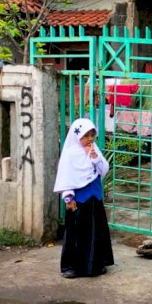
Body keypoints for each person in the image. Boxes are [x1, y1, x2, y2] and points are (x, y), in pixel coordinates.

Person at [53, 118, 114, 279]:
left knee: (95, 231)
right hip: (78, 199)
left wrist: (95, 158)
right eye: (86, 136)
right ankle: (71, 266)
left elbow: (103, 170)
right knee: (76, 233)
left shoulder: (93, 150)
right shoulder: (69, 154)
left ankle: (95, 264)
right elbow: (65, 177)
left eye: (92, 135)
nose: (90, 139)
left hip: (94, 196)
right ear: (77, 136)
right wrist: (68, 198)